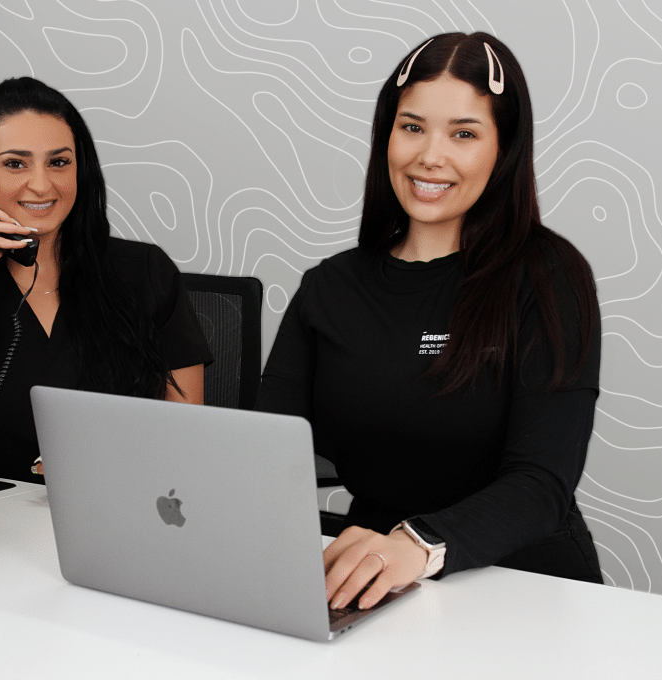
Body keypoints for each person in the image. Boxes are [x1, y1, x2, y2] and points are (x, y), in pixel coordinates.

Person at [255, 33, 603, 611]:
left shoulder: (549, 276)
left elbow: (541, 485)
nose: (429, 156)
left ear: (504, 147)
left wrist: (415, 545)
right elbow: (266, 451)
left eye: (464, 133)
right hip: (366, 579)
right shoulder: (330, 287)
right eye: (412, 127)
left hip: (521, 585)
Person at [0, 78, 212, 483]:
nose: (42, 185)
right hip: (2, 523)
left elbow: (189, 440)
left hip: (127, 512)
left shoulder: (146, 272)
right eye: (15, 163)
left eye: (59, 162)